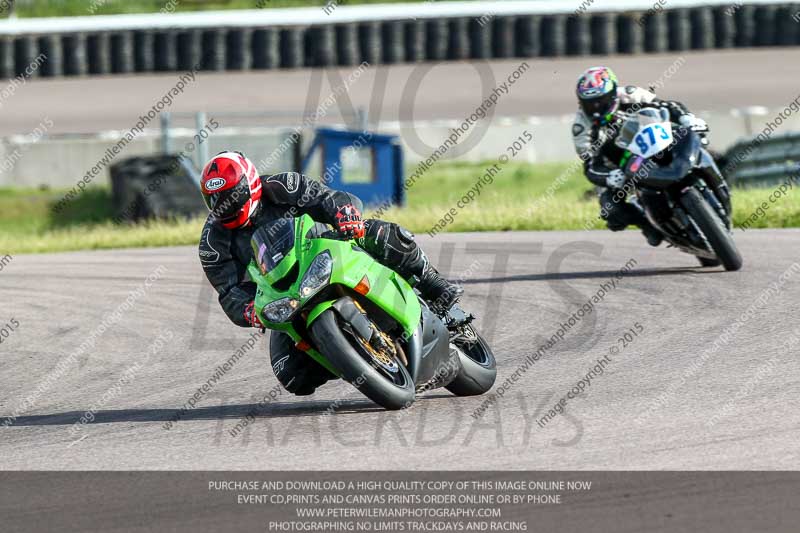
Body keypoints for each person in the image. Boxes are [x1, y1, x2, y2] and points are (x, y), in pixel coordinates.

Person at [198, 151, 462, 395]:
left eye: (231, 196)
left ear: (250, 185)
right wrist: (249, 310)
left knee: (382, 235)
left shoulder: (282, 185)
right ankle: (347, 357)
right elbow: (228, 291)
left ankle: (431, 282)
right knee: (292, 377)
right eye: (215, 201)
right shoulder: (212, 242)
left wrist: (344, 213)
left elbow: (324, 197)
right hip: (286, 295)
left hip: (328, 248)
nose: (224, 206)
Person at [572, 66, 709, 245]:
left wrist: (687, 118)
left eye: (601, 101)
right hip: (620, 165)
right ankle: (648, 224)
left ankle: (709, 177)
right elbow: (590, 167)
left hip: (656, 139)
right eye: (590, 104)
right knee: (610, 209)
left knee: (700, 141)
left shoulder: (630, 95)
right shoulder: (582, 128)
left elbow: (668, 106)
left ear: (612, 94)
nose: (596, 108)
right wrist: (608, 177)